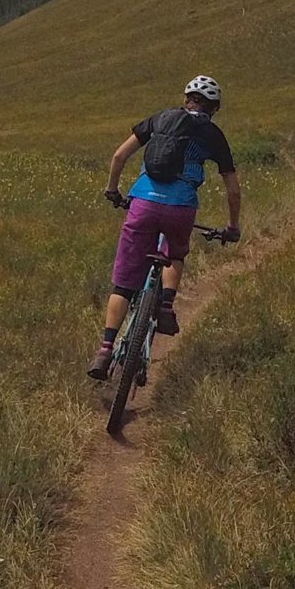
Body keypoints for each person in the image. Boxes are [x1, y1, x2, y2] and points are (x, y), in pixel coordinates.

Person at [89, 75, 241, 379]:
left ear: (186, 98)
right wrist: (232, 227)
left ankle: (105, 350)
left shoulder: (160, 119)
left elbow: (119, 155)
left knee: (124, 283)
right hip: (181, 208)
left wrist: (113, 190)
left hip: (143, 204)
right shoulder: (213, 134)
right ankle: (167, 304)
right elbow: (233, 189)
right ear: (214, 108)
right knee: (175, 254)